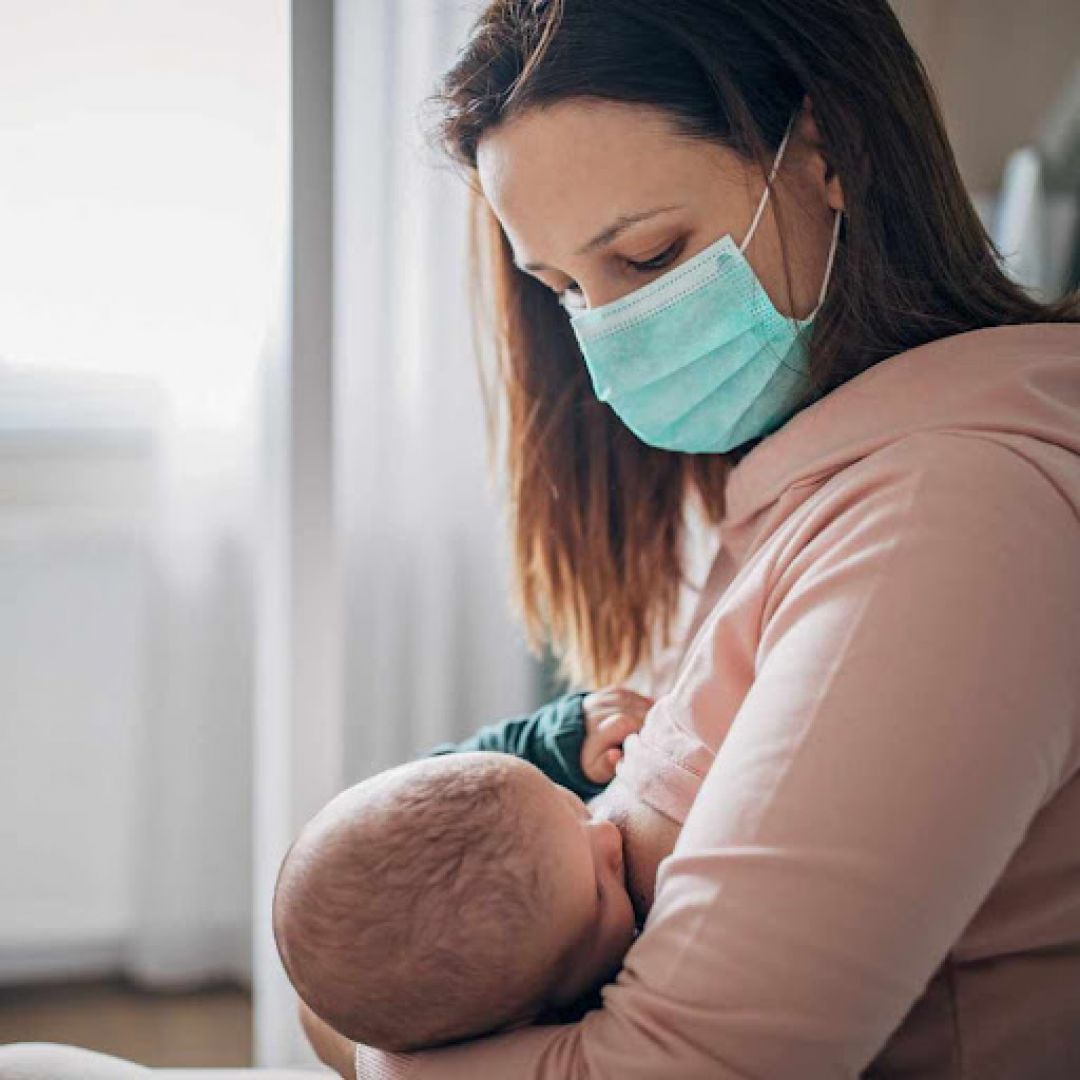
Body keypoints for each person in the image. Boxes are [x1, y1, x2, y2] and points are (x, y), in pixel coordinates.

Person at [294, 1, 1080, 1077]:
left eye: (649, 256)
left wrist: (376, 1050)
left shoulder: (944, 519)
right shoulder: (810, 489)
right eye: (565, 290)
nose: (607, 335)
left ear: (825, 151)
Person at [272, 752, 637, 1054]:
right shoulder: (600, 1031)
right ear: (523, 1024)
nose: (607, 835)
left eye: (571, 804)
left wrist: (564, 738)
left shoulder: (517, 821)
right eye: (600, 896)